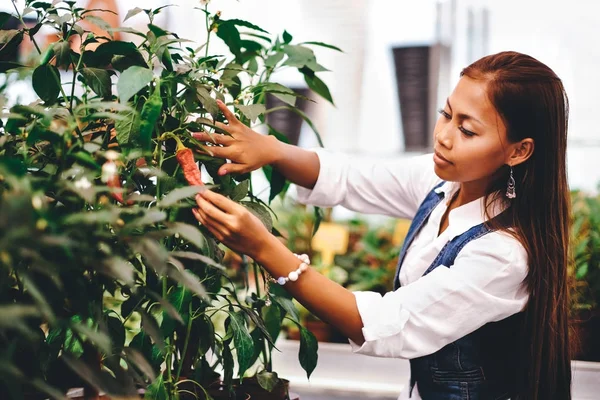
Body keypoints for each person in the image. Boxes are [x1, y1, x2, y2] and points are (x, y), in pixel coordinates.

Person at [192, 51, 572, 400]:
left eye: (467, 130)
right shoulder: (446, 185)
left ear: (519, 150)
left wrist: (264, 248)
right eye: (446, 114)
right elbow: (354, 177)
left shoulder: (503, 253)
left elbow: (387, 324)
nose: (443, 136)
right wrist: (271, 149)